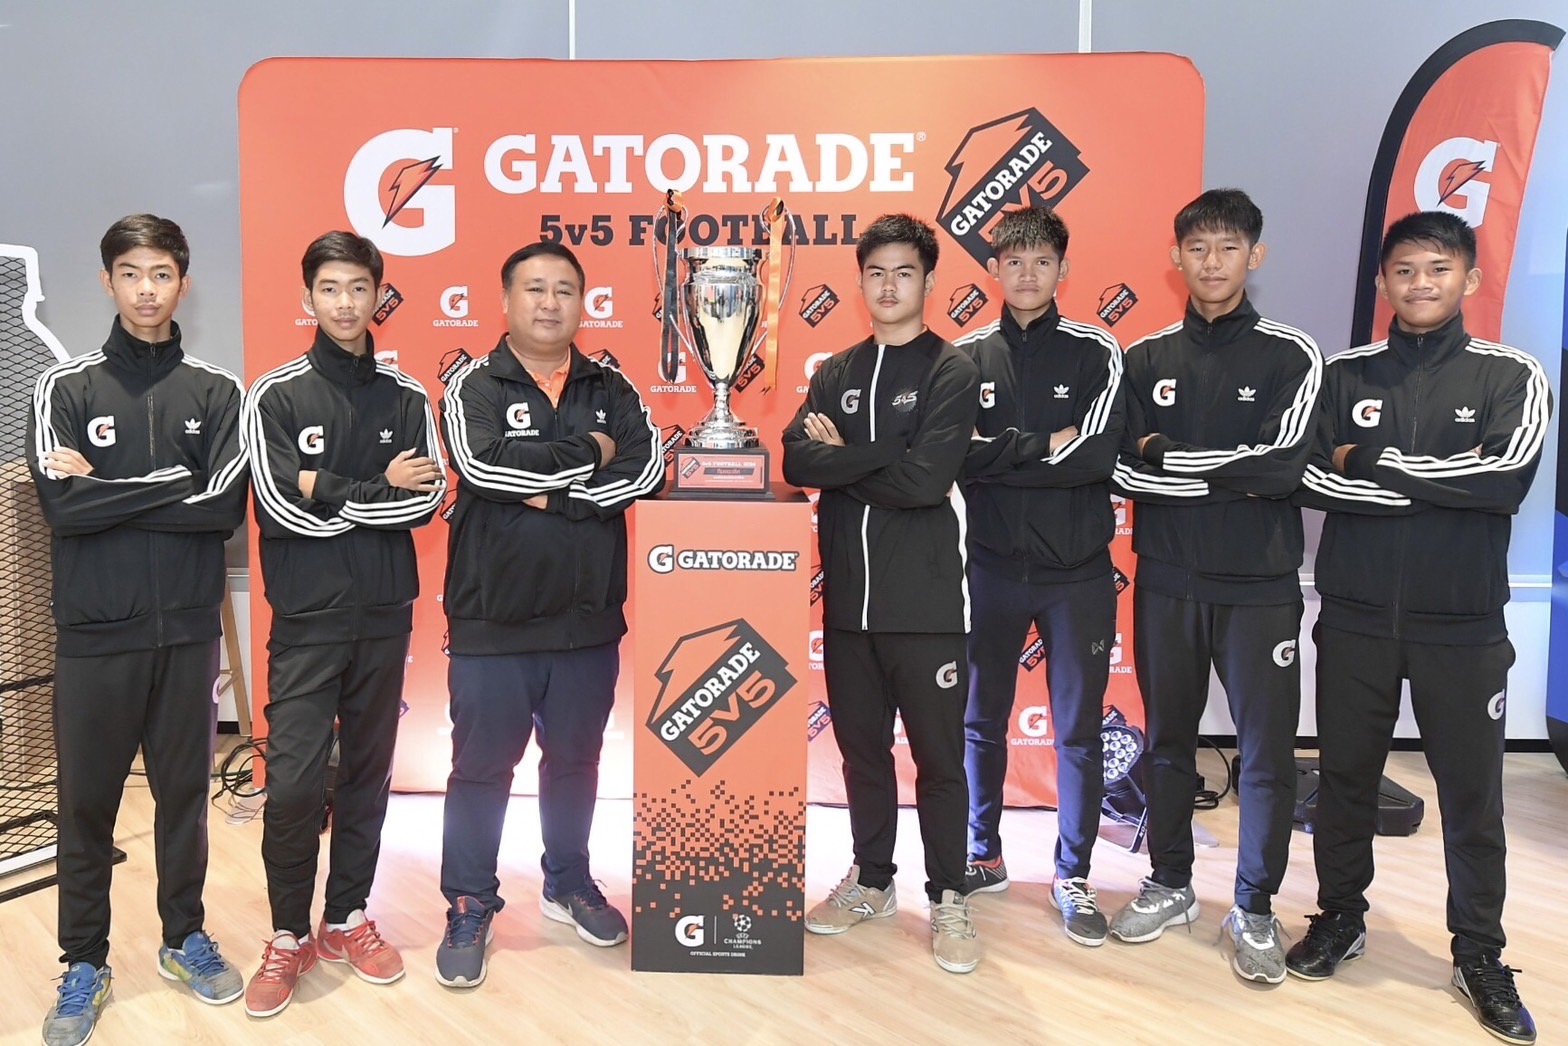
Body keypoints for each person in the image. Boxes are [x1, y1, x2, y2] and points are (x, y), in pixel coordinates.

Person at [1291, 211, 1547, 1045]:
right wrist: (1435, 486)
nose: (1420, 283)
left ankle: (1479, 953)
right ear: (1383, 282)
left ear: (1470, 278)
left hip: (1463, 629)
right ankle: (1340, 917)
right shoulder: (1343, 375)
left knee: (1472, 797)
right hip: (1356, 620)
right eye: (1404, 270)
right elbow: (1305, 476)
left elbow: (1502, 481)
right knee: (1345, 784)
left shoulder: (1511, 375)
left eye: (1438, 268)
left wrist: (1373, 465)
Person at [28, 214, 249, 1046]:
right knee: (85, 806)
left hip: (186, 634)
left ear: (182, 283)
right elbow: (62, 509)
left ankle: (183, 937)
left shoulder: (216, 391)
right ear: (108, 282)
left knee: (184, 800)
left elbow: (224, 509)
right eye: (131, 273)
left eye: (161, 274)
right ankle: (84, 962)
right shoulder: (66, 388)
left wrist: (109, 489)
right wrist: (172, 483)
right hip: (95, 636)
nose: (146, 289)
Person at [435, 241, 663, 988]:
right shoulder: (473, 384)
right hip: (493, 622)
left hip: (586, 622)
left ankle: (568, 881)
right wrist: (592, 453)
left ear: (581, 302)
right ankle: (470, 900)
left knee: (575, 763)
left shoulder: (611, 386)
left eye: (565, 289)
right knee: (481, 769)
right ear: (506, 300)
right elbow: (482, 467)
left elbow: (647, 468)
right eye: (535, 288)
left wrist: (550, 492)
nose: (550, 302)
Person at [1108, 188, 1321, 983]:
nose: (1212, 262)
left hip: (1259, 586)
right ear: (1176, 258)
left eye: (1229, 247)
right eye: (1197, 248)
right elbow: (1122, 468)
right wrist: (1230, 472)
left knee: (1266, 753)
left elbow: (1283, 468)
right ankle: (1170, 883)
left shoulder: (1292, 355)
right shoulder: (1145, 358)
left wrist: (1173, 457)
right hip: (1167, 580)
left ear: (1253, 257)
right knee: (1168, 742)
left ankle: (1255, 907)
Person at [240, 231, 446, 1017]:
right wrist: (372, 486)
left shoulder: (408, 397)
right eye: (329, 288)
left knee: (366, 774)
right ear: (309, 298)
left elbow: (426, 501)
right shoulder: (276, 394)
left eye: (359, 288)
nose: (345, 303)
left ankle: (345, 917)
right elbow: (280, 507)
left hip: (384, 616)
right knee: (294, 783)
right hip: (307, 618)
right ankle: (287, 933)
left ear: (378, 296)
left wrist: (323, 482)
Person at [782, 213, 982, 974]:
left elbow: (925, 482)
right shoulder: (835, 371)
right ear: (861, 281)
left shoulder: (951, 371)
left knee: (939, 762)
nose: (889, 286)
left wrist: (848, 461)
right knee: (862, 755)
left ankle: (950, 895)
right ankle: (872, 880)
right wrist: (881, 456)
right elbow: (797, 459)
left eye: (904, 272)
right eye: (876, 273)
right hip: (849, 612)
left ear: (928, 281)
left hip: (927, 611)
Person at [955, 205, 1125, 946]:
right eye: (1014, 261)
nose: (1027, 275)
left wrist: (1001, 453)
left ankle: (1073, 875)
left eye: (1042, 262)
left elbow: (1098, 455)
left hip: (1077, 576)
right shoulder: (964, 355)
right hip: (990, 570)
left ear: (1064, 269)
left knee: (1078, 733)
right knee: (979, 722)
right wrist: (1042, 446)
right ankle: (982, 855)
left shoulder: (1097, 350)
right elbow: (956, 457)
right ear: (994, 269)